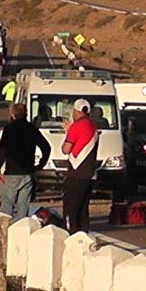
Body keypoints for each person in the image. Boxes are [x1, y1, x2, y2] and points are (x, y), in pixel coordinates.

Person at [0, 103, 51, 221]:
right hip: (28, 172)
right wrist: (40, 164)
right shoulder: (32, 129)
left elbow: (2, 150)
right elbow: (46, 147)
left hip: (12, 173)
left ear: (13, 115)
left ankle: (5, 232)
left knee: (7, 207)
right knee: (23, 208)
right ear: (26, 114)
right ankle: (21, 231)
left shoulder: (9, 129)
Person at [61, 99, 99, 233]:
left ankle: (70, 234)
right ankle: (84, 236)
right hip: (90, 174)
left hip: (76, 174)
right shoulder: (93, 127)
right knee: (83, 209)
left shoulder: (76, 127)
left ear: (76, 112)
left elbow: (66, 149)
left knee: (70, 208)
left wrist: (68, 132)